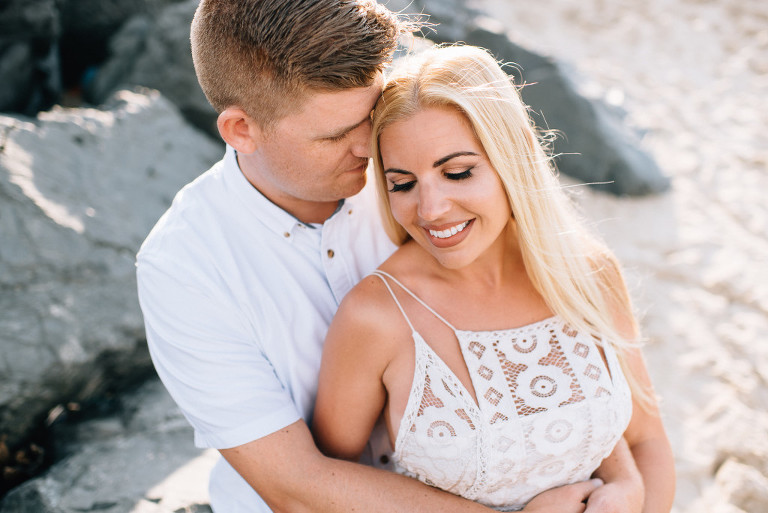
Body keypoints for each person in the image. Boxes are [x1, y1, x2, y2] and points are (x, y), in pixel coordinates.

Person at [137, 1, 645, 511]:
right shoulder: (184, 268)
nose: (370, 147)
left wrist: (622, 477)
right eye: (336, 134)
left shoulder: (418, 172)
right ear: (241, 130)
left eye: (372, 114)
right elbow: (297, 487)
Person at [312, 44, 676, 512]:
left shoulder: (590, 274)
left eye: (458, 173)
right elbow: (328, 492)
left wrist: (630, 487)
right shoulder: (376, 317)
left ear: (516, 155)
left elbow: (647, 440)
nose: (430, 210)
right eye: (402, 183)